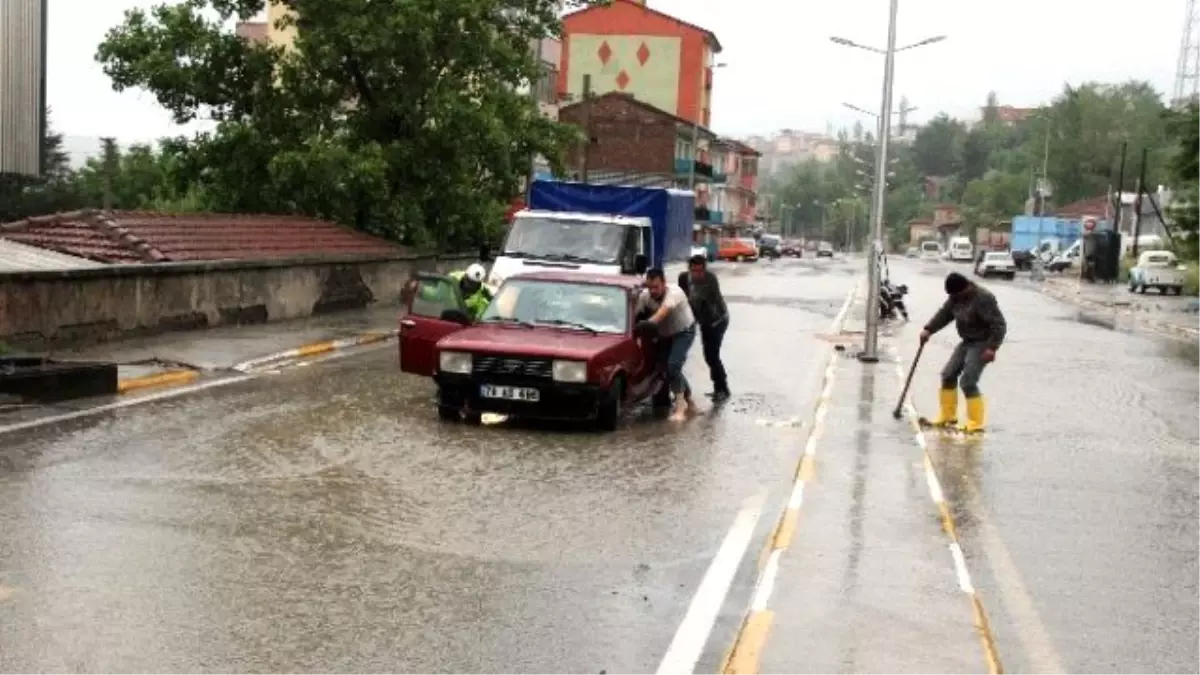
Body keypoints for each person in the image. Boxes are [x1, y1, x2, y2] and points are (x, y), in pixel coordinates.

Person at [919, 271, 1007, 434]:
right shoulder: (955, 297)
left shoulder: (983, 298)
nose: (955, 299)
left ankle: (975, 423)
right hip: (967, 340)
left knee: (968, 381)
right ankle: (948, 416)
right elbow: (944, 314)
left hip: (984, 341)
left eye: (957, 295)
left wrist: (992, 347)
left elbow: (999, 324)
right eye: (953, 296)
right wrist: (928, 329)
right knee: (948, 375)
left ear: (966, 287)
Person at [637, 268, 698, 422]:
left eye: (656, 287)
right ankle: (689, 400)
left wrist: (644, 325)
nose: (653, 291)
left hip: (684, 331)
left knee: (674, 365)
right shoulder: (644, 297)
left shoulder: (674, 293)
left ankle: (680, 407)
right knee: (667, 368)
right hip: (665, 335)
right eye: (649, 287)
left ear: (664, 283)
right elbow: (634, 314)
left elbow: (660, 315)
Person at [684, 254, 731, 401]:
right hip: (705, 322)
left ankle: (722, 388)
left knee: (712, 355)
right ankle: (719, 387)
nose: (697, 274)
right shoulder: (686, 278)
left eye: (700, 271)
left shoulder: (710, 279)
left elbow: (696, 301)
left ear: (704, 270)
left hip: (717, 321)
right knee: (708, 355)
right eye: (694, 271)